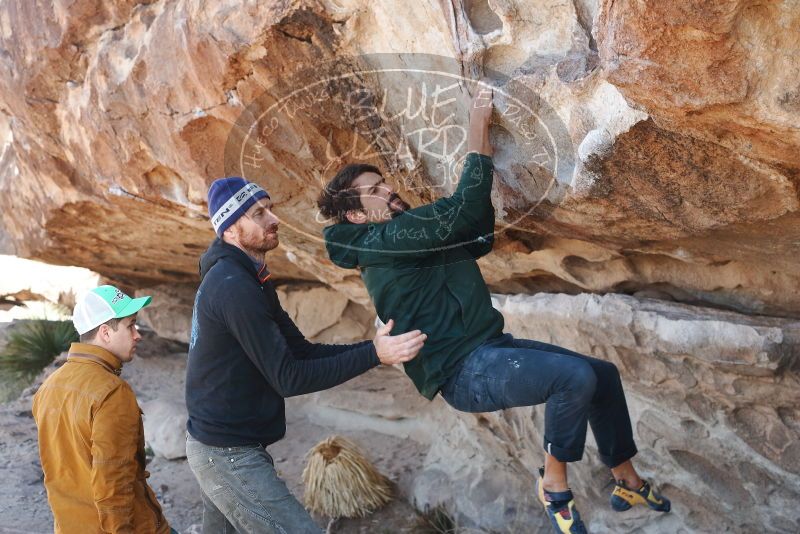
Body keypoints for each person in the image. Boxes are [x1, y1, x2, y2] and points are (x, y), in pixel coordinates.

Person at [318, 89, 670, 534]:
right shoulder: (384, 243)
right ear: (355, 216)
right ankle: (554, 487)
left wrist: (473, 201)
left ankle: (627, 480)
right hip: (462, 372)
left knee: (601, 374)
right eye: (374, 191)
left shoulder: (404, 237)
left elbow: (476, 233)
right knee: (573, 378)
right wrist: (477, 126)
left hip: (490, 349)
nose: (389, 190)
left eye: (384, 182)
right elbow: (463, 210)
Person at [186, 177, 427, 533]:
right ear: (231, 230)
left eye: (270, 209)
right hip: (227, 454)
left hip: (221, 446)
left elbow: (302, 351)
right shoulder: (233, 287)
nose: (274, 219)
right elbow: (289, 378)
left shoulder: (249, 278)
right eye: (258, 213)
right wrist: (375, 355)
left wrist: (374, 348)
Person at [32, 285, 176, 533]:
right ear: (106, 333)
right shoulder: (112, 392)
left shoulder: (49, 386)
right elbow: (113, 482)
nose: (138, 335)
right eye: (130, 326)